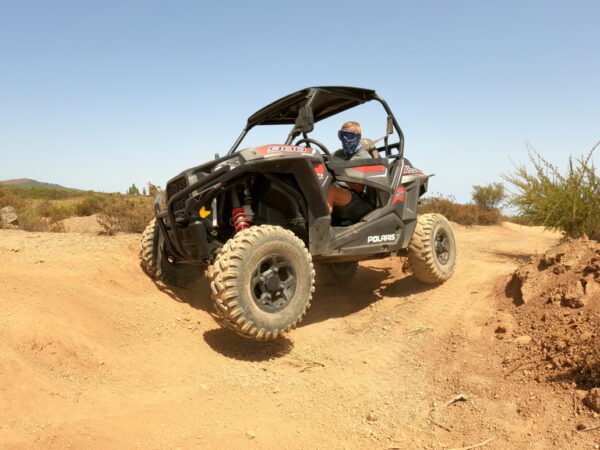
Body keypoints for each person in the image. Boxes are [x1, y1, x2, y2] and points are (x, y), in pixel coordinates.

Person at [326, 121, 375, 222]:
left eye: (349, 135)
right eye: (342, 135)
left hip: (355, 195)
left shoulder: (364, 158)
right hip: (335, 188)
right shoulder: (336, 154)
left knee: (330, 191)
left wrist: (340, 173)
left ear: (358, 137)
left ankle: (320, 229)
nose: (345, 138)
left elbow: (359, 188)